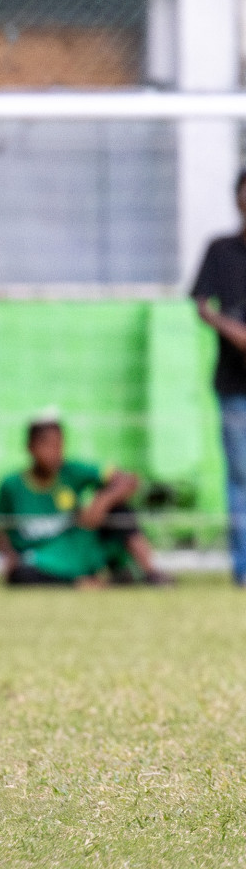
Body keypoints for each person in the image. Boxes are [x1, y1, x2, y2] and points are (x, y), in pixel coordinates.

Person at [0, 416, 171, 587]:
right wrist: (8, 556)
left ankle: (152, 571)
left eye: (59, 445)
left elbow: (130, 480)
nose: (55, 452)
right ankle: (84, 583)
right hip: (41, 559)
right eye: (47, 445)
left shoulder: (72, 472)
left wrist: (102, 501)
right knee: (21, 574)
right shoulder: (11, 486)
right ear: (30, 447)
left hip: (77, 547)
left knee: (119, 511)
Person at [190, 169, 246, 587]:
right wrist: (234, 332)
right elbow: (201, 303)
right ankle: (243, 568)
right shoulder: (220, 250)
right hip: (234, 386)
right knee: (241, 477)